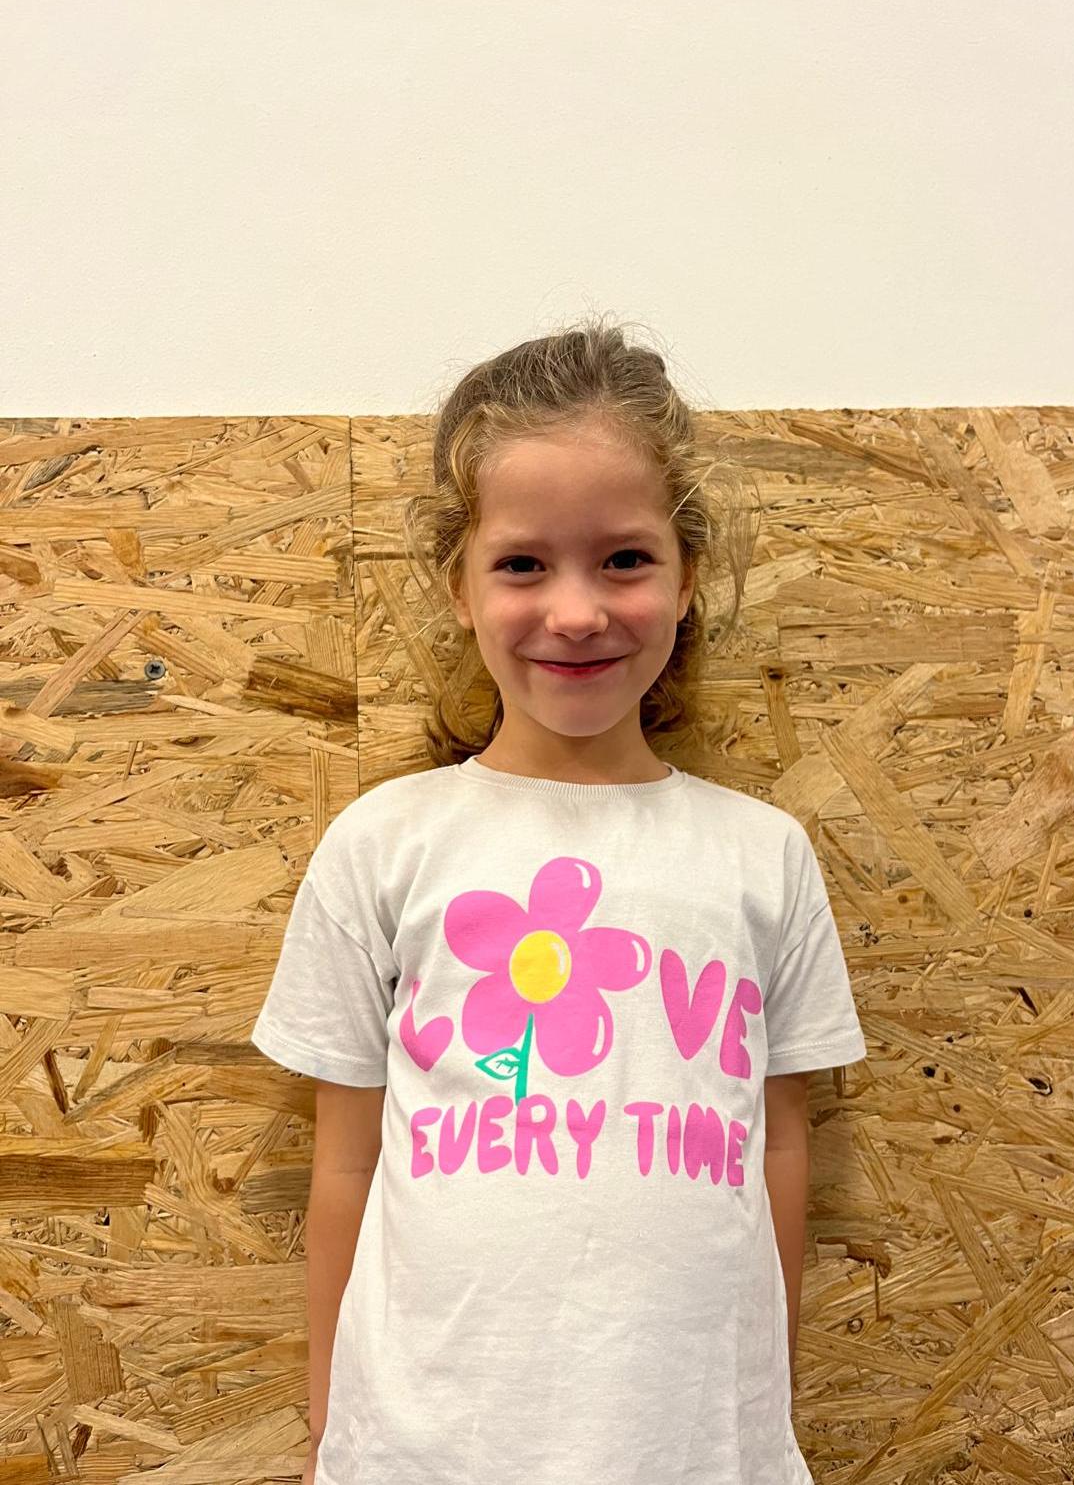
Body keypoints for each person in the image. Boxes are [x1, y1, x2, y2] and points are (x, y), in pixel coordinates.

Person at [250, 313, 869, 1485]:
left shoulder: (763, 855)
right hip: (427, 1450)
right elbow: (344, 1163)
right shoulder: (386, 845)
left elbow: (782, 1141)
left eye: (624, 558)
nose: (576, 611)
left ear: (689, 577)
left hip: (695, 1449)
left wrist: (763, 1405)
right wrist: (332, 1412)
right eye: (523, 563)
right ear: (459, 584)